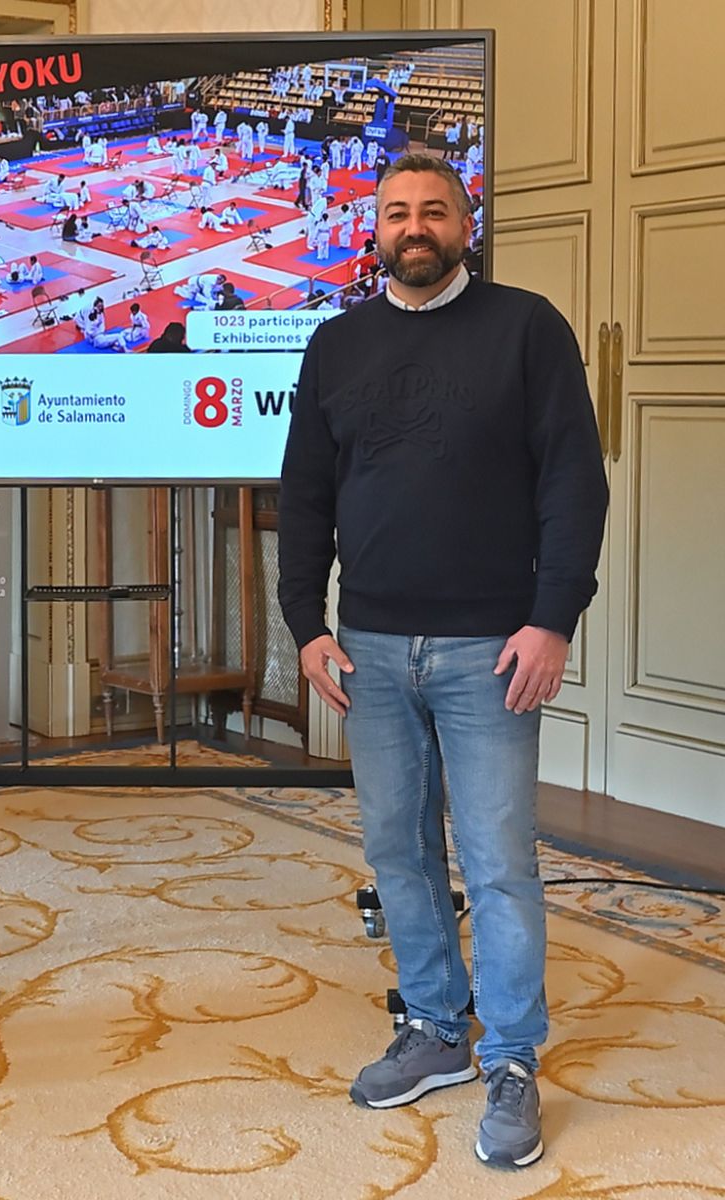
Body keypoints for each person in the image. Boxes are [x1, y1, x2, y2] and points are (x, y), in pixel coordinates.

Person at [277, 154, 608, 1171]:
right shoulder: (335, 344)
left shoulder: (528, 328)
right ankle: (434, 1028)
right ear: (373, 231)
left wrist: (552, 620)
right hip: (369, 648)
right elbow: (305, 494)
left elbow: (573, 483)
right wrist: (304, 623)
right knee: (397, 852)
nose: (413, 226)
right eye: (395, 213)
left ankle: (509, 1058)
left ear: (467, 224)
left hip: (491, 648)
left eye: (433, 210)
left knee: (499, 863)